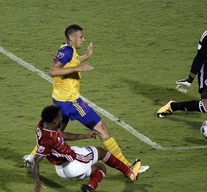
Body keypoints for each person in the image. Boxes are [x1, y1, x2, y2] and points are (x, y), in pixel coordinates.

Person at [24, 24, 149, 173]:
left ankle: (32, 158)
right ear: (72, 37)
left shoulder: (67, 48)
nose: (83, 39)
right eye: (81, 37)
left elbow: (71, 61)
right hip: (71, 102)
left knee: (55, 134)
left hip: (60, 100)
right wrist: (78, 68)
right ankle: (128, 167)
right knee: (103, 129)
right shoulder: (68, 50)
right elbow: (53, 71)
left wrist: (85, 57)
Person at [32, 105, 141, 192]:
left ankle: (90, 188)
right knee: (101, 152)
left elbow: (62, 135)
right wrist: (37, 182)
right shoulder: (47, 139)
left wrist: (85, 136)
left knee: (100, 168)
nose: (62, 119)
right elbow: (36, 160)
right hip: (73, 162)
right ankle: (129, 173)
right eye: (60, 118)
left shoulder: (43, 124)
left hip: (61, 169)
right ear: (55, 121)